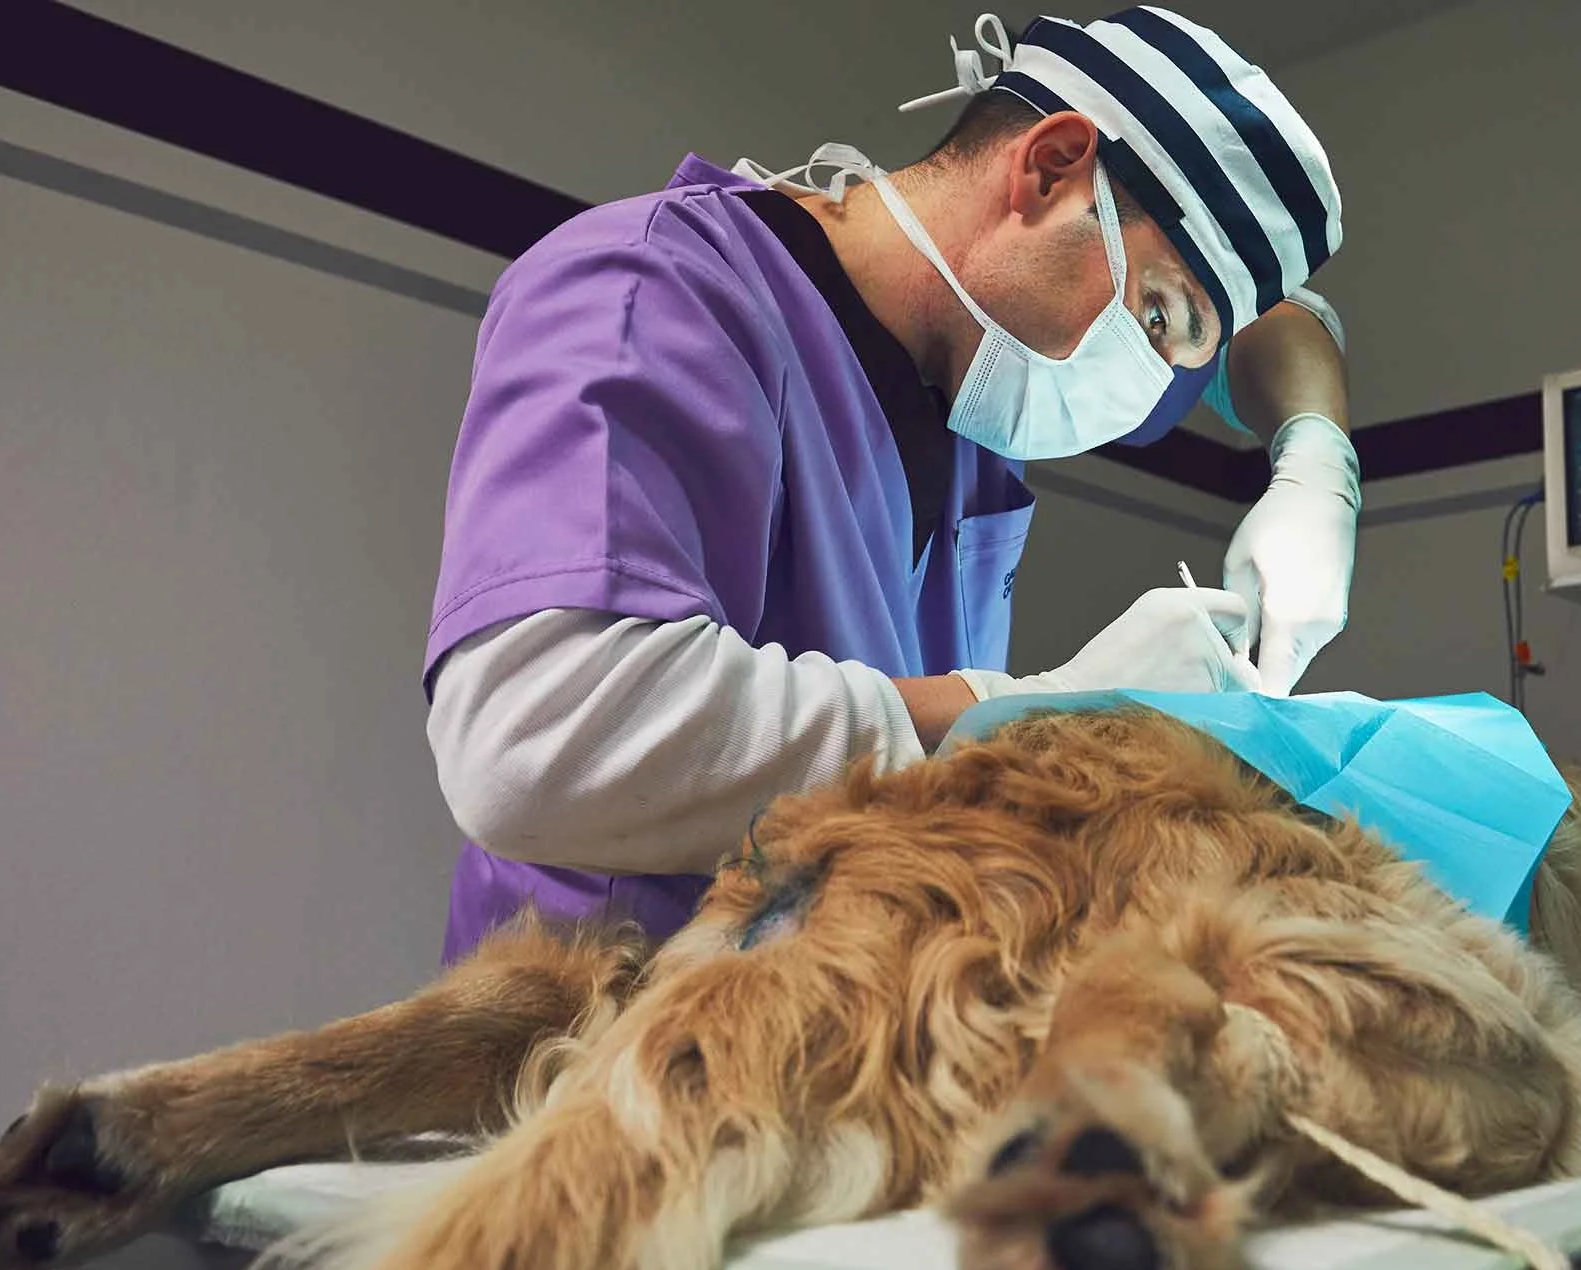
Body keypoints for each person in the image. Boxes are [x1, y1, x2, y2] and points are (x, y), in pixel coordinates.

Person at [422, 8, 1357, 962]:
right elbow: (535, 742)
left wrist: (1318, 464)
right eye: (1157, 315)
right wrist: (1032, 715)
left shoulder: (986, 372)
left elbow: (1279, 322)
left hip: (845, 1046)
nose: (1146, 384)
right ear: (1047, 168)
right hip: (601, 1054)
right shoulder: (660, 291)